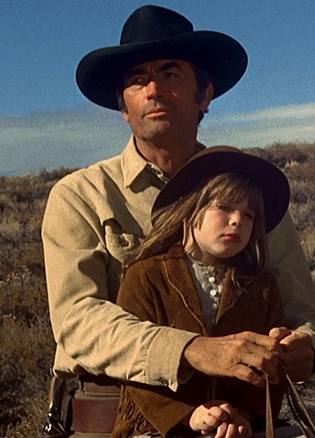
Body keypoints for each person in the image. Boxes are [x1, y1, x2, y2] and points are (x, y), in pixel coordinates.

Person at [41, 5, 315, 436]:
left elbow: (303, 312)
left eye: (171, 74)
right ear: (124, 107)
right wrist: (192, 350)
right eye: (138, 79)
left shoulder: (251, 196)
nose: (153, 89)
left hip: (237, 421)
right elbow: (78, 323)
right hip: (114, 419)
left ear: (204, 94)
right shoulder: (81, 196)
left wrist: (304, 348)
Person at [111, 146, 301, 438]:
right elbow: (132, 363)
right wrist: (189, 414)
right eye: (224, 207)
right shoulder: (146, 276)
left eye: (248, 215)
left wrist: (244, 414)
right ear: (189, 210)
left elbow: (269, 370)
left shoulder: (262, 287)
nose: (237, 220)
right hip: (159, 429)